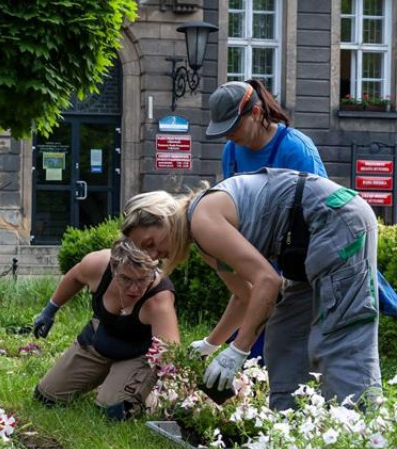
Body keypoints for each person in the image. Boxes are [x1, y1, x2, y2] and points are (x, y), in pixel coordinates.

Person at [122, 168, 381, 411]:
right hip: (309, 239)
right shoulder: (202, 236)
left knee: (338, 337)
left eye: (150, 243)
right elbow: (244, 296)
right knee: (285, 337)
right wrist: (211, 345)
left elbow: (267, 282)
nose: (154, 255)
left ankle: (363, 438)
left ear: (163, 218)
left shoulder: (203, 220)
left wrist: (238, 350)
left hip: (336, 219)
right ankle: (289, 434)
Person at [193, 79, 327, 360]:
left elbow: (323, 215)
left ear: (256, 113)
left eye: (233, 128)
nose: (229, 137)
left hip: (299, 271)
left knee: (281, 356)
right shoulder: (231, 152)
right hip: (260, 268)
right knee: (250, 360)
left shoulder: (297, 150)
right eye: (224, 131)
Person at [31, 237, 179, 420]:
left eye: (142, 279)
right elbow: (75, 276)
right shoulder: (97, 265)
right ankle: (108, 377)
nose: (134, 288)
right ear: (113, 268)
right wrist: (49, 310)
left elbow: (169, 351)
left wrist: (168, 388)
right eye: (126, 279)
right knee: (46, 397)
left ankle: (150, 398)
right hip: (102, 339)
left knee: (112, 413)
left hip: (138, 353)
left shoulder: (159, 301)